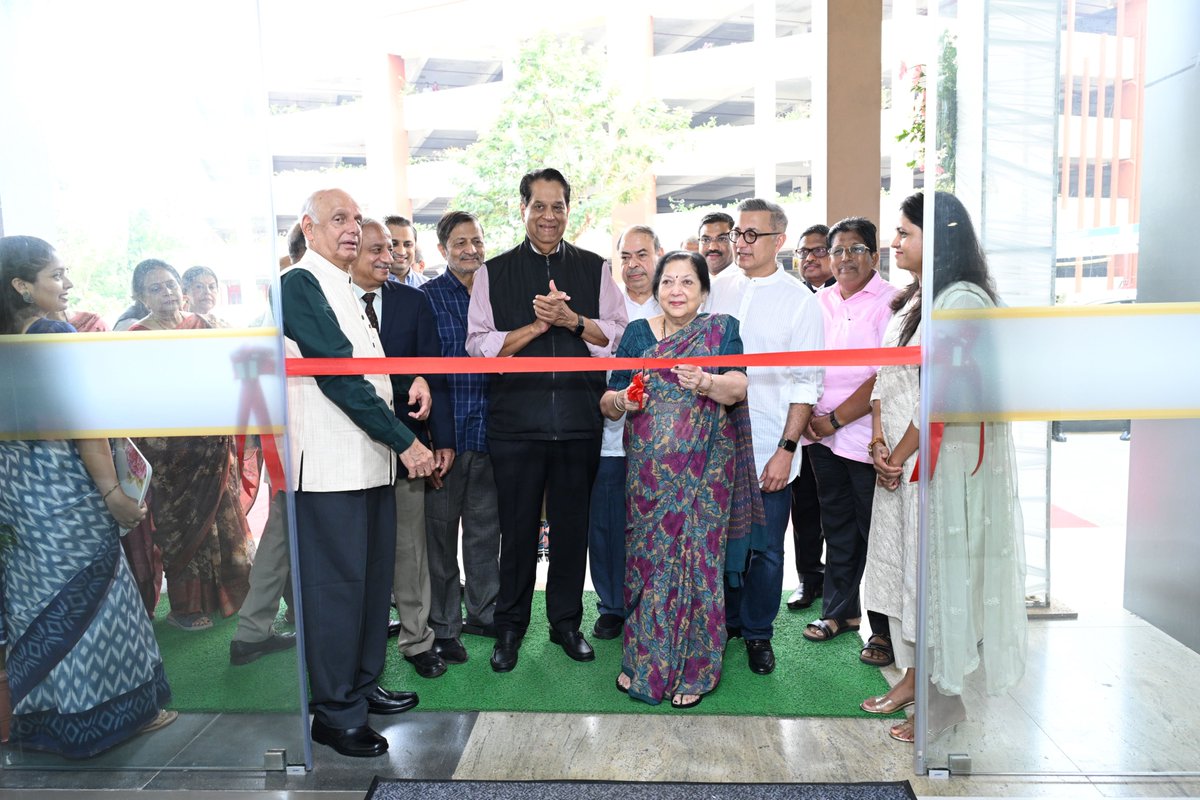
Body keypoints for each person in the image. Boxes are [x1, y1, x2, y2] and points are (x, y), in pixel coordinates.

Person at [0, 235, 175, 757]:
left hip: (16, 494)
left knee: (34, 603)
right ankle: (107, 720)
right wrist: (112, 492)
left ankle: (45, 722)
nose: (68, 283)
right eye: (56, 274)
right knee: (99, 600)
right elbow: (85, 423)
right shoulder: (52, 332)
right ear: (22, 287)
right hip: (64, 490)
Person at [861, 192, 1026, 743]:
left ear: (939, 237)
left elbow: (947, 396)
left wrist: (901, 455)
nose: (895, 242)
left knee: (936, 579)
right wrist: (879, 440)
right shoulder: (916, 299)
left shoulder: (963, 300)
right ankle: (913, 679)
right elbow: (889, 375)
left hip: (937, 468)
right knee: (907, 576)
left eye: (905, 232)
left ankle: (944, 701)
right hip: (902, 464)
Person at [282, 188, 435, 758]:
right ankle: (335, 712)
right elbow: (340, 379)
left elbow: (371, 375)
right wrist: (406, 441)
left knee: (372, 587)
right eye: (338, 219)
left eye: (355, 218)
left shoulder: (347, 286)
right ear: (309, 226)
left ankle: (362, 688)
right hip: (329, 470)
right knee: (337, 592)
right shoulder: (300, 284)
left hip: (369, 464)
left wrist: (410, 385)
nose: (352, 229)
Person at [466, 167, 627, 673]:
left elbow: (618, 338)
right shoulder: (494, 272)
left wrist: (573, 321)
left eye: (558, 206)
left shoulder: (595, 268)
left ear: (568, 210)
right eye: (539, 206)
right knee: (514, 532)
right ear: (522, 209)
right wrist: (538, 324)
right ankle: (509, 626)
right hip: (516, 426)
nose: (549, 216)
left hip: (579, 424)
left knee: (571, 529)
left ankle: (565, 623)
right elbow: (479, 348)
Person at [604, 250, 750, 708]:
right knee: (648, 561)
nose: (677, 291)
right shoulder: (636, 334)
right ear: (656, 288)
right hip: (648, 474)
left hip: (706, 470)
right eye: (668, 282)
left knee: (699, 561)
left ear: (704, 291)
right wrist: (624, 401)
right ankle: (643, 662)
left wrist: (705, 382)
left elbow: (739, 386)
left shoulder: (721, 330)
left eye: (688, 282)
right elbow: (608, 398)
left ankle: (696, 668)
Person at [707, 198, 824, 676]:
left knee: (765, 548)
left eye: (752, 235)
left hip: (770, 448)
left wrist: (786, 450)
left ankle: (758, 633)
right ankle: (723, 624)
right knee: (717, 542)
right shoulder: (715, 289)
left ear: (779, 240)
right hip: (713, 444)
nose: (740, 242)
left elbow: (807, 383)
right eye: (738, 233)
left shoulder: (801, 302)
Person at [350, 218, 452, 680]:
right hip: (349, 445)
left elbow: (433, 373)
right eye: (375, 250)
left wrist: (440, 438)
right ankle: (357, 644)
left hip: (409, 442)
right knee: (356, 550)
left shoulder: (413, 301)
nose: (385, 258)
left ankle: (417, 640)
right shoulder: (332, 304)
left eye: (389, 249)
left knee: (410, 548)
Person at [127, 259, 255, 630]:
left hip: (212, 441)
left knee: (226, 515)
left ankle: (236, 594)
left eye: (170, 285)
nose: (166, 293)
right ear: (140, 296)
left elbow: (232, 368)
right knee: (181, 525)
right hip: (169, 452)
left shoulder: (206, 324)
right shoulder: (135, 335)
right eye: (155, 288)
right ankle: (187, 607)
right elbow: (137, 394)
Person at [801, 218, 898, 669]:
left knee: (875, 532)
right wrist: (817, 422)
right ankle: (841, 611)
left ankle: (883, 632)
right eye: (836, 250)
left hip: (866, 436)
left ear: (875, 256)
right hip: (821, 435)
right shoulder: (819, 302)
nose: (844, 259)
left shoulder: (892, 301)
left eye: (855, 249)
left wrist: (835, 419)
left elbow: (884, 376)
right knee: (836, 526)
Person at [421, 211, 501, 659]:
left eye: (477, 240)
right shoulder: (427, 299)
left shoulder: (498, 295)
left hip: (490, 435)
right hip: (444, 440)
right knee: (439, 534)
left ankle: (484, 615)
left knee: (485, 533)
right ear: (442, 250)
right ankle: (445, 626)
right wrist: (434, 440)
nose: (471, 249)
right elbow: (424, 375)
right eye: (460, 243)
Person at [588, 225, 662, 642]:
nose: (633, 265)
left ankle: (651, 601)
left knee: (653, 527)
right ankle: (612, 605)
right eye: (626, 257)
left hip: (661, 446)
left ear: (659, 255)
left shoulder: (674, 306)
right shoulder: (603, 308)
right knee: (606, 526)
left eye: (642, 255)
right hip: (609, 438)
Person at [786, 224, 835, 613]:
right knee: (803, 512)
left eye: (819, 251)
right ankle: (808, 578)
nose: (810, 259)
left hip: (840, 426)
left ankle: (839, 590)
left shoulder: (843, 298)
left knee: (834, 513)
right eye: (803, 252)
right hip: (799, 423)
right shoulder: (793, 298)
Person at [384, 215, 428, 287]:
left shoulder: (429, 287)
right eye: (394, 244)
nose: (401, 252)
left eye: (407, 245)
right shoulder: (369, 287)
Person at [697, 211, 735, 276]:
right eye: (706, 240)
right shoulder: (691, 278)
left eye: (722, 239)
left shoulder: (746, 282)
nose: (713, 247)